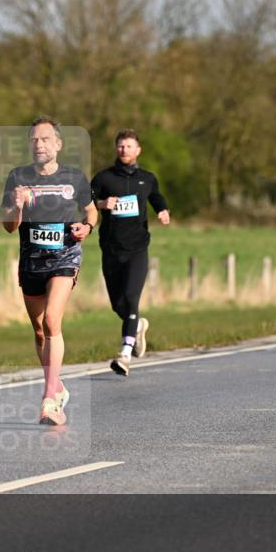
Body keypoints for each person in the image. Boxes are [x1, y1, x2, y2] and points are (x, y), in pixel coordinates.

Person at [3, 117, 98, 425]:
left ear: (58, 144)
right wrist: (17, 207)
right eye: (34, 139)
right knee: (39, 329)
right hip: (31, 261)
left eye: (45, 139)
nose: (39, 144)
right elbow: (8, 226)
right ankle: (57, 385)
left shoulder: (75, 177)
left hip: (65, 256)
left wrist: (88, 228)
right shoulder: (17, 177)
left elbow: (91, 210)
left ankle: (49, 400)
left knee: (53, 319)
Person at [91, 129, 171, 376]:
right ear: (116, 148)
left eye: (128, 146)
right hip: (111, 248)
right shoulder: (103, 178)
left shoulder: (147, 179)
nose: (124, 150)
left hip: (137, 248)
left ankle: (125, 354)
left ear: (138, 150)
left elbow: (156, 198)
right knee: (118, 304)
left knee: (131, 297)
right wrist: (102, 204)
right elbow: (85, 203)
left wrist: (163, 211)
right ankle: (137, 325)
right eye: (120, 146)